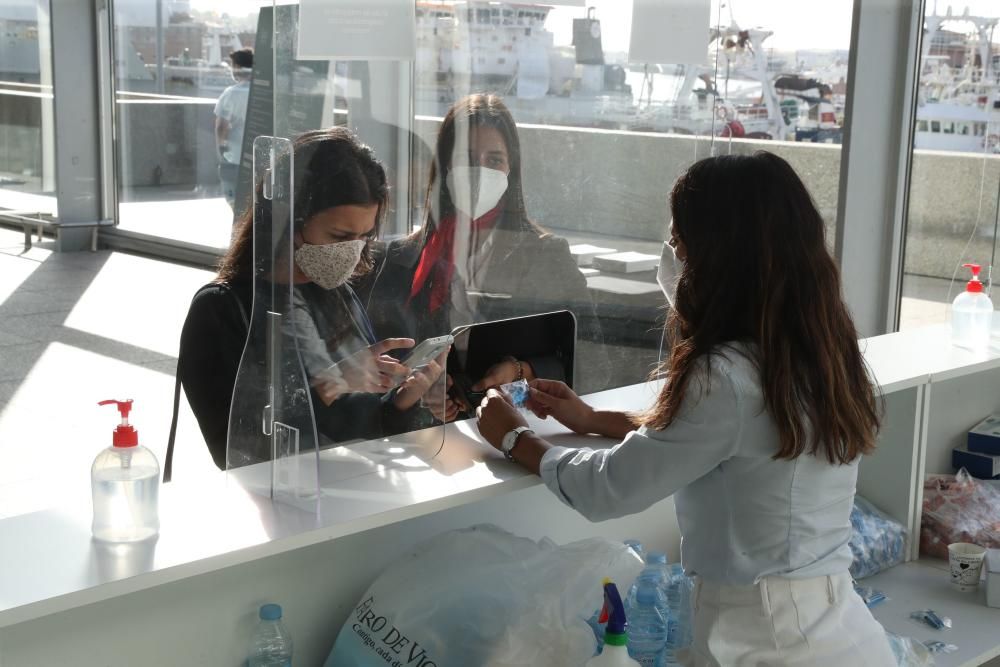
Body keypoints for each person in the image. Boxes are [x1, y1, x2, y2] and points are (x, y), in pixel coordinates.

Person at [476, 152, 896, 666]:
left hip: (764, 641)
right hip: (839, 632)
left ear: (717, 255)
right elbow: (734, 442)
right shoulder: (821, 354)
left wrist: (516, 438)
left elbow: (613, 488)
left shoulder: (723, 375)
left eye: (677, 243)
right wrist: (592, 420)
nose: (670, 258)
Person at [179, 127, 445, 469]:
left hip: (352, 490)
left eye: (364, 236)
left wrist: (402, 403)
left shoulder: (338, 294)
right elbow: (236, 450)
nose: (353, 251)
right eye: (340, 235)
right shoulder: (219, 310)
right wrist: (330, 384)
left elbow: (355, 425)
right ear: (288, 219)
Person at [358, 93, 607, 420]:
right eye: (466, 158)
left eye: (494, 160)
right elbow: (375, 367)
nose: (479, 172)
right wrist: (420, 397)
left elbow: (593, 363)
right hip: (425, 442)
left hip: (518, 430)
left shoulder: (546, 255)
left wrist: (522, 372)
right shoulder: (401, 258)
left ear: (511, 170)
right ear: (445, 165)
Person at [214, 48, 253, 209]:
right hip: (258, 156)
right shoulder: (264, 91)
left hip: (234, 155)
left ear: (237, 67)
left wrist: (221, 149)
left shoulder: (231, 93)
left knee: (234, 201)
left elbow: (221, 127)